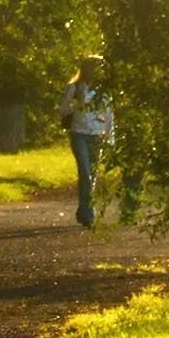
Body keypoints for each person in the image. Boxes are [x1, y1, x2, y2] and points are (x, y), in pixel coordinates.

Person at [59, 54, 113, 228]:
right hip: (79, 133)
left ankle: (84, 209)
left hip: (97, 134)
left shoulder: (104, 90)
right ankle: (88, 214)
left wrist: (110, 137)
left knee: (92, 174)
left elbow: (109, 114)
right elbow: (63, 110)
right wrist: (78, 105)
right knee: (85, 172)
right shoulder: (73, 87)